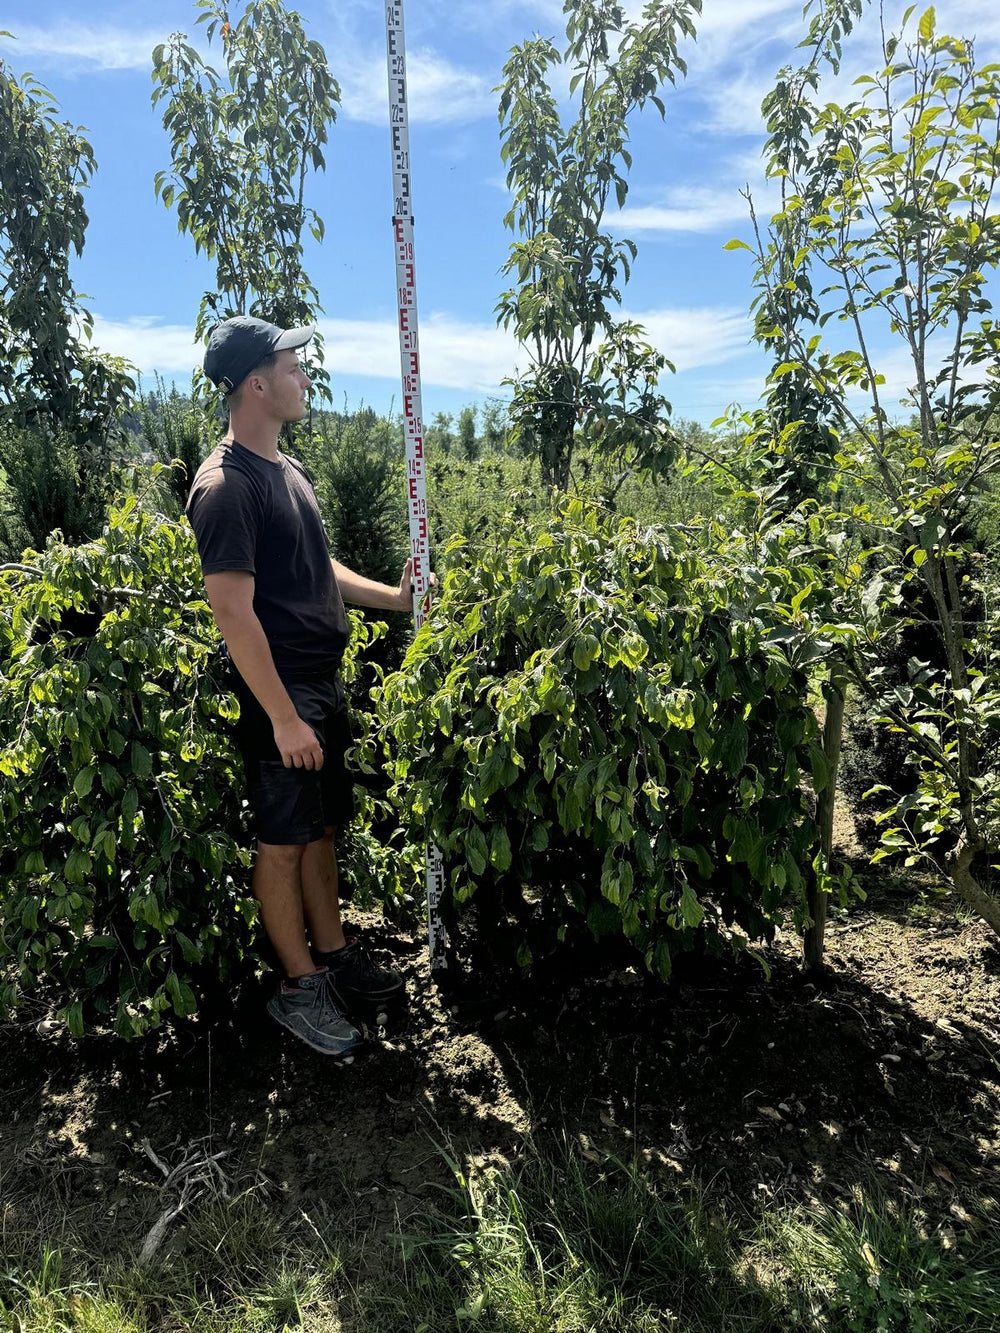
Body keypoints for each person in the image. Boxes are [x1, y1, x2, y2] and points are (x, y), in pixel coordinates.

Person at [186, 315, 414, 1062]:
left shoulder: (287, 471)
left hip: (318, 684)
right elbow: (231, 609)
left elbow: (322, 569)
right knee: (283, 841)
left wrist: (394, 597)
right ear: (256, 382)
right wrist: (282, 716)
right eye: (294, 366)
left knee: (319, 829)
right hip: (279, 694)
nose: (306, 377)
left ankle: (335, 953)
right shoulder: (226, 485)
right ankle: (297, 987)